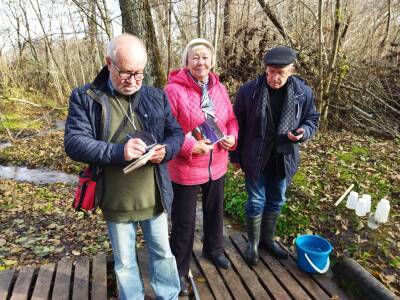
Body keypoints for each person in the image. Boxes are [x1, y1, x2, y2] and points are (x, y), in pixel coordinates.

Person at [64, 34, 183, 300]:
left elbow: (176, 133)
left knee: (164, 255)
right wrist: (119, 151)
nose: (133, 81)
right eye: (126, 73)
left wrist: (165, 151)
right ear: (109, 63)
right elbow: (74, 142)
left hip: (155, 199)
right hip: (116, 201)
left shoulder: (155, 96)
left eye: (139, 73)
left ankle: (169, 296)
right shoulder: (86, 98)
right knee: (125, 263)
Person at [230, 46, 320, 265]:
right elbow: (236, 125)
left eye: (281, 72)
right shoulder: (249, 91)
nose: (274, 77)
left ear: (292, 70)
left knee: (276, 200)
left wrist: (303, 132)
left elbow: (312, 119)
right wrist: (235, 157)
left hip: (284, 157)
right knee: (255, 201)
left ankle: (268, 240)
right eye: (270, 71)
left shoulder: (302, 93)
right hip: (256, 157)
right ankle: (252, 244)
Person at [165, 38, 239, 295]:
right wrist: (188, 147)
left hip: (217, 163)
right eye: (195, 57)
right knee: (184, 222)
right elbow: (167, 130)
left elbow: (230, 119)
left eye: (205, 57)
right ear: (186, 62)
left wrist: (232, 137)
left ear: (212, 62)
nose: (200, 62)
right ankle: (180, 269)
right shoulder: (173, 90)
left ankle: (214, 250)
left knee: (215, 211)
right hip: (186, 167)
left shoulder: (219, 88)